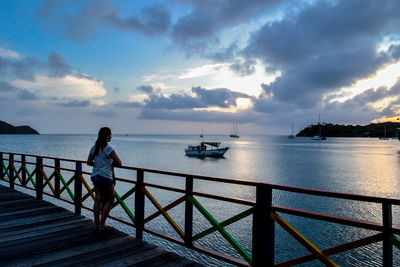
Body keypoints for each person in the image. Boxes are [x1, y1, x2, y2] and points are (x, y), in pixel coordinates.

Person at [87, 127, 122, 232]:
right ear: (107, 136)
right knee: (110, 199)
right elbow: (119, 163)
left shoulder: (94, 148)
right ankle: (102, 225)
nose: (111, 136)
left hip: (95, 176)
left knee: (98, 198)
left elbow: (88, 162)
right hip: (106, 177)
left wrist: (98, 165)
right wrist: (107, 165)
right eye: (110, 134)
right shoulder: (108, 148)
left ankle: (96, 225)